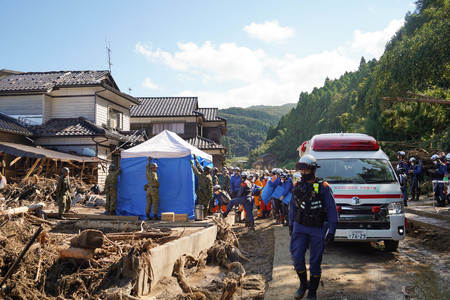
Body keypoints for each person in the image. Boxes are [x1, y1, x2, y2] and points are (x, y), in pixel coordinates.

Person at [289, 155, 338, 300]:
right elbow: (292, 206)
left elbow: (331, 209)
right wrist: (291, 224)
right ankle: (304, 284)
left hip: (318, 228)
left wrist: (332, 231)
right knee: (297, 257)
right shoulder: (297, 185)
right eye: (301, 171)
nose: (303, 173)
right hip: (300, 226)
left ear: (313, 169)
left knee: (315, 262)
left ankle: (312, 292)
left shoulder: (324, 187)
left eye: (306, 170)